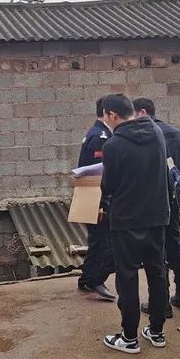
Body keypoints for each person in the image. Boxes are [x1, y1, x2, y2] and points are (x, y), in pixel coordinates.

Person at [99, 94, 170, 354]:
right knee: (157, 272)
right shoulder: (157, 132)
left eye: (106, 117)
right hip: (157, 216)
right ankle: (157, 331)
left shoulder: (113, 146)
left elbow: (109, 185)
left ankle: (129, 338)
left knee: (127, 278)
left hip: (127, 220)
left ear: (112, 116)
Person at [133, 98, 180, 316]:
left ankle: (160, 305)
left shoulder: (143, 136)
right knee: (175, 245)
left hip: (151, 205)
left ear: (142, 112)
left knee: (155, 253)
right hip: (171, 201)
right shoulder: (176, 134)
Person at [76, 97, 116, 301]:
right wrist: (100, 204)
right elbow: (97, 173)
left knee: (96, 241)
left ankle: (86, 279)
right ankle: (96, 279)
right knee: (105, 243)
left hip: (91, 197)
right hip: (96, 199)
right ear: (109, 113)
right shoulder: (100, 137)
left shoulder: (96, 133)